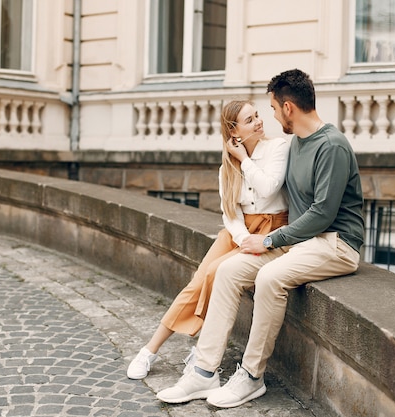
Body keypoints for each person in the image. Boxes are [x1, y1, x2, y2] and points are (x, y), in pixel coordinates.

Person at [156, 68, 365, 408]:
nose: (269, 115)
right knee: (226, 271)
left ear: (288, 108)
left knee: (269, 277)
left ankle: (251, 376)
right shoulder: (295, 143)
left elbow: (323, 215)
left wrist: (269, 241)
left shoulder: (332, 146)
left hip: (336, 243)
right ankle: (204, 372)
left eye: (271, 108)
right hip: (300, 242)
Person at [127, 100, 290, 379]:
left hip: (270, 232)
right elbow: (231, 213)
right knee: (197, 282)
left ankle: (203, 349)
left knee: (217, 273)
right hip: (239, 234)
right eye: (249, 120)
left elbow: (269, 186)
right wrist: (241, 238)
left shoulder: (279, 148)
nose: (259, 122)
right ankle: (149, 350)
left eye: (257, 116)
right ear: (234, 131)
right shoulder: (225, 169)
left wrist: (244, 160)